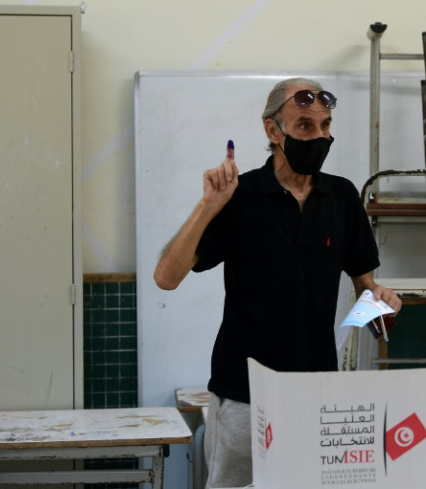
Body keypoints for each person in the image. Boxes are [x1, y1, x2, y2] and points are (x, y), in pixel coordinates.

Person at [153, 77, 402, 488]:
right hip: (242, 397)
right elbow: (166, 277)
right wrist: (207, 206)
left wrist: (383, 304)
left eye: (325, 126)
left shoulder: (341, 198)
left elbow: (366, 291)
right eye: (305, 126)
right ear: (273, 131)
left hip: (318, 393)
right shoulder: (242, 196)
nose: (319, 136)